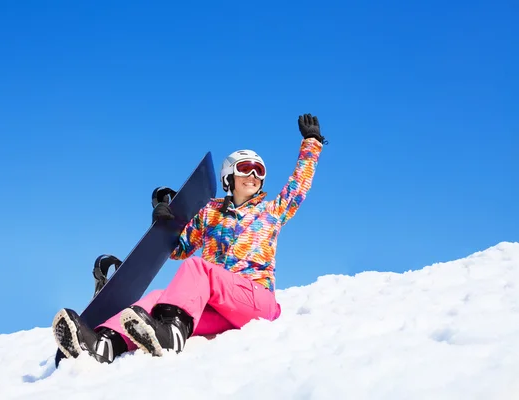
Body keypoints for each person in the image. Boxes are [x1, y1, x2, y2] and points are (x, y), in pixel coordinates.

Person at [52, 113, 327, 363]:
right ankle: (103, 344)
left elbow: (298, 186)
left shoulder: (272, 211)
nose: (253, 175)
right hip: (218, 311)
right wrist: (164, 222)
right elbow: (178, 250)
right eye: (245, 168)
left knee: (198, 269)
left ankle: (172, 334)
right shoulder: (209, 213)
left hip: (257, 302)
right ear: (228, 176)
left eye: (259, 170)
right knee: (159, 298)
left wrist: (311, 142)